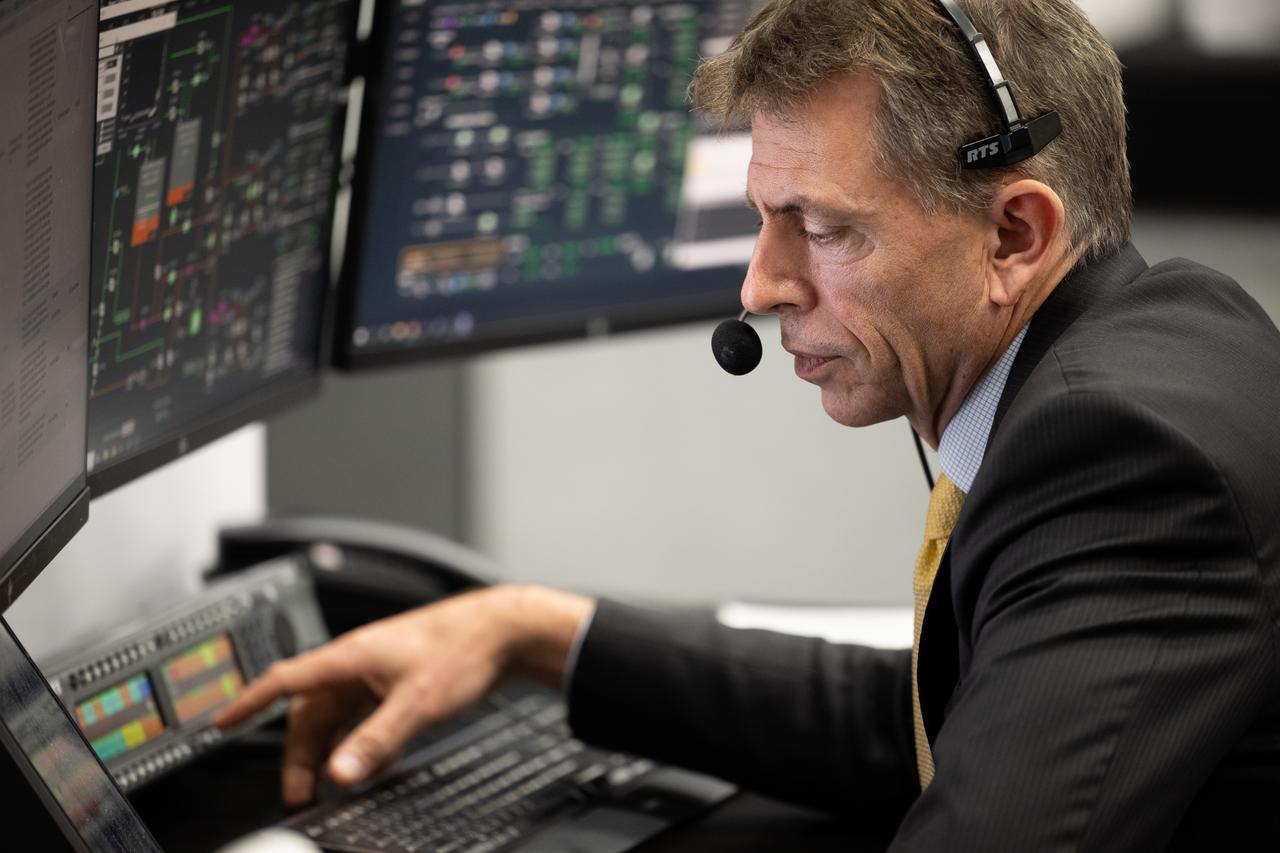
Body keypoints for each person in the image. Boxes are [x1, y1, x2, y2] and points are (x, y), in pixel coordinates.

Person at [216, 0, 1280, 848]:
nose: (761, 285)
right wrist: (535, 631)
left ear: (1012, 231)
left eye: (819, 229)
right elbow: (940, 723)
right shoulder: (1162, 331)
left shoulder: (1118, 456)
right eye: (760, 219)